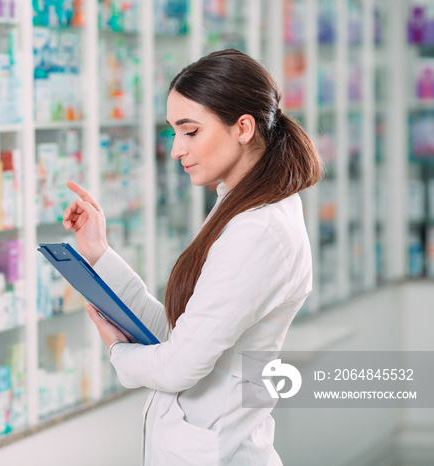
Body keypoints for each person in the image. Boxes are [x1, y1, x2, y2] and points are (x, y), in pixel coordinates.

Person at [62, 49, 322, 465]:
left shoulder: (258, 230)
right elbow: (178, 333)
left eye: (191, 131)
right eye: (174, 133)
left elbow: (180, 364)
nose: (177, 150)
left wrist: (119, 353)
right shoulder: (236, 205)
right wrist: (98, 253)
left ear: (243, 127)